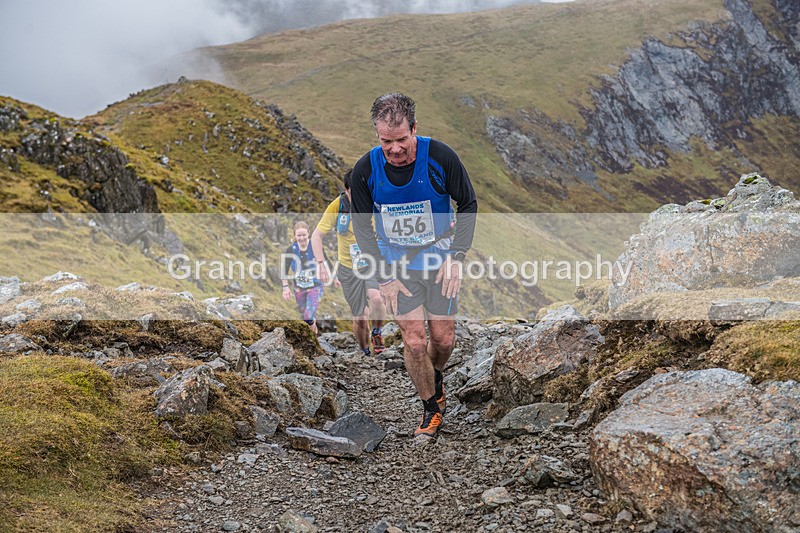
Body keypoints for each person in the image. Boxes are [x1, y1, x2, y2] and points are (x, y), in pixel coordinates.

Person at [351, 93, 477, 438]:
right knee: (416, 341)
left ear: (415, 129)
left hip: (439, 261)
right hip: (397, 266)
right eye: (385, 141)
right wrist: (384, 277)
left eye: (401, 140)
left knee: (444, 340)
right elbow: (362, 228)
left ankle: (432, 375)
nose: (394, 149)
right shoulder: (366, 170)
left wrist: (458, 257)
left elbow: (467, 204)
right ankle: (430, 409)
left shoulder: (440, 157)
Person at [311, 169, 387, 356]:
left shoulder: (375, 203)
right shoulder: (338, 206)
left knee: (376, 298)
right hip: (348, 268)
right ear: (347, 190)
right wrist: (321, 264)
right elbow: (316, 235)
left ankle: (377, 332)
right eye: (355, 191)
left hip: (372, 263)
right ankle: (364, 350)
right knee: (360, 317)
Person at [282, 221, 325, 334]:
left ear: (308, 234)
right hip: (299, 288)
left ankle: (313, 343)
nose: (301, 238)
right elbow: (284, 271)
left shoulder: (315, 246)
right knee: (305, 318)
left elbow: (326, 262)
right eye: (299, 235)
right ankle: (315, 335)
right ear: (295, 236)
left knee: (308, 316)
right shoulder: (291, 250)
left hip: (315, 286)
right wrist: (285, 287)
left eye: (304, 235)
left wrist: (334, 278)